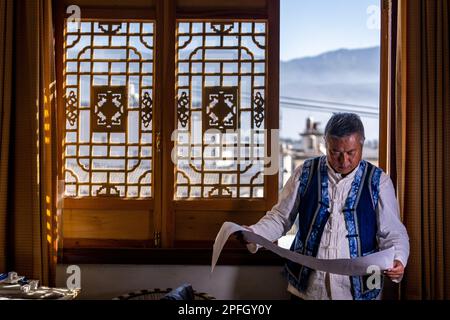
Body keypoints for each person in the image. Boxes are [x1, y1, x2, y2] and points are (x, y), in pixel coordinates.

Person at [241, 113, 409, 300]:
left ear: (361, 144)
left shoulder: (379, 181)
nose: (344, 161)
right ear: (326, 144)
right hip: (307, 289)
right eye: (335, 152)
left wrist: (398, 259)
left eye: (351, 153)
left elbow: (393, 232)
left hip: (361, 289)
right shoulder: (304, 172)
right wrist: (254, 233)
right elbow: (280, 218)